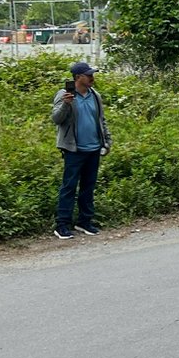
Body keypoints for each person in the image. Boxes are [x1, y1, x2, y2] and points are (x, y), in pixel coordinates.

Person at [50, 60, 112, 239]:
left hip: (93, 149)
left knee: (88, 187)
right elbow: (56, 119)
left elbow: (101, 120)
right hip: (74, 149)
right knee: (69, 187)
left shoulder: (95, 95)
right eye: (89, 75)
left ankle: (84, 222)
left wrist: (106, 141)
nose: (92, 78)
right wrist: (65, 104)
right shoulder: (64, 95)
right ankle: (62, 224)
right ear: (78, 77)